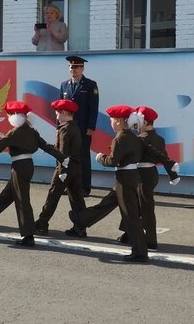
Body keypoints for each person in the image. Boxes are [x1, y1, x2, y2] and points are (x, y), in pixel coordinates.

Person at [0, 101, 68, 247]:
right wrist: (62, 157)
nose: (9, 117)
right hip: (28, 166)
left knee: (22, 201)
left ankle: (28, 235)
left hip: (19, 166)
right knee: (8, 194)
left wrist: (6, 137)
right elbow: (46, 146)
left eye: (10, 115)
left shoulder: (15, 132)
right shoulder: (32, 131)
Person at [69, 105, 147, 263]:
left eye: (111, 119)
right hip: (130, 176)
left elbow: (113, 161)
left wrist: (100, 158)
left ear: (118, 121)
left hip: (124, 178)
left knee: (130, 216)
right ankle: (81, 219)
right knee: (109, 203)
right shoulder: (133, 137)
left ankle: (139, 252)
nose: (111, 122)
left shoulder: (120, 138)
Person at [116, 106, 180, 249]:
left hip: (142, 175)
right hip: (151, 174)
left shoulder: (141, 138)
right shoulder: (160, 139)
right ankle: (128, 234)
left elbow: (159, 156)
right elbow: (164, 157)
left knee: (144, 207)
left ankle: (150, 239)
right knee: (137, 206)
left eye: (138, 121)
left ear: (145, 123)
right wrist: (173, 174)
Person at [34, 99, 87, 236]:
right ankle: (80, 227)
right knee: (77, 199)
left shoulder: (64, 130)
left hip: (65, 169)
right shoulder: (75, 127)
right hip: (76, 168)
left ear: (64, 112)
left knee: (52, 196)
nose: (56, 116)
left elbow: (63, 154)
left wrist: (62, 171)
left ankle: (42, 223)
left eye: (57, 113)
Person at [60, 55, 99, 196]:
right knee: (67, 156)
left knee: (83, 156)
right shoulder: (64, 85)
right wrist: (60, 126)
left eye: (76, 67)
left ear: (82, 68)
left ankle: (85, 187)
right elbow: (60, 108)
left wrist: (91, 127)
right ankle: (69, 186)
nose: (73, 70)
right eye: (71, 67)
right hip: (68, 128)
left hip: (83, 128)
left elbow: (93, 108)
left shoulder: (90, 85)